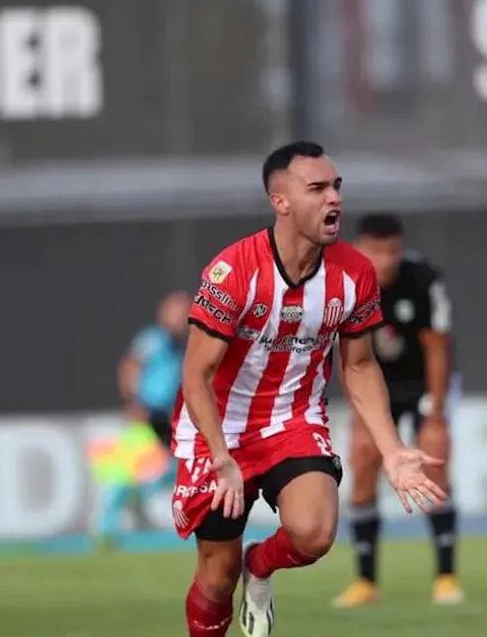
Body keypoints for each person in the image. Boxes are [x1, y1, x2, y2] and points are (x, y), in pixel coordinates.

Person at [175, 141, 446, 637]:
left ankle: (262, 564)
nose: (334, 200)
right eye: (317, 189)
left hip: (291, 420)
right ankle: (237, 573)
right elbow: (196, 375)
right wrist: (221, 458)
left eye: (337, 187)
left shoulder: (355, 273)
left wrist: (392, 451)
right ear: (280, 201)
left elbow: (360, 366)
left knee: (315, 534)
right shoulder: (233, 273)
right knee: (216, 578)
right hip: (218, 427)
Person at [334, 213, 462, 608]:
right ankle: (365, 581)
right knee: (362, 461)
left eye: (392, 251)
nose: (385, 261)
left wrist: (436, 413)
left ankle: (445, 577)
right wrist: (361, 411)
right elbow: (345, 355)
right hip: (377, 387)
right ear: (359, 249)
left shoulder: (423, 279)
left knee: (434, 462)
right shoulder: (344, 282)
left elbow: (437, 347)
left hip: (424, 383)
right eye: (376, 252)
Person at [94, 290, 189, 546]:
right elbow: (130, 367)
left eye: (184, 313)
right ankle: (105, 530)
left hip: (167, 417)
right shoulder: (152, 340)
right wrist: (132, 401)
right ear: (163, 313)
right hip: (144, 411)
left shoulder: (185, 346)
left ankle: (144, 490)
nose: (180, 318)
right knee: (124, 473)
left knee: (179, 467)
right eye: (175, 312)